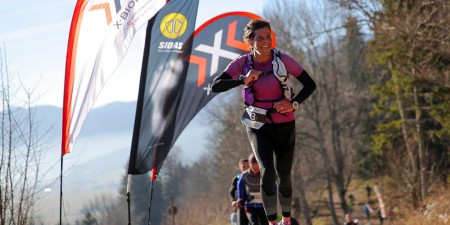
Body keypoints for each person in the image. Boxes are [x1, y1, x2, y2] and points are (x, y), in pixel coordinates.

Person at [211, 19, 316, 225]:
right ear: (250, 42)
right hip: (256, 122)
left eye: (268, 37)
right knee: (267, 170)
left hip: (284, 122)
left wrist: (293, 103)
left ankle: (286, 219)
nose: (266, 41)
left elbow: (310, 85)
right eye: (260, 38)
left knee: (284, 176)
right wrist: (243, 79)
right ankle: (272, 222)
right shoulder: (243, 63)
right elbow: (216, 85)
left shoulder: (284, 60)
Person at [237, 153, 268, 225]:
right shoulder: (244, 175)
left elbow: (273, 185)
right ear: (249, 165)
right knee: (254, 223)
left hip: (264, 205)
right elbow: (240, 185)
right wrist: (240, 197)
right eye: (253, 164)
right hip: (250, 205)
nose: (255, 166)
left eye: (256, 164)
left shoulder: (265, 174)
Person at [230, 158, 250, 225]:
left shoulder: (254, 178)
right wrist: (233, 201)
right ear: (240, 168)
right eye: (244, 167)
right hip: (240, 206)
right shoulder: (237, 179)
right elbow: (231, 191)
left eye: (248, 166)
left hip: (252, 206)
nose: (246, 168)